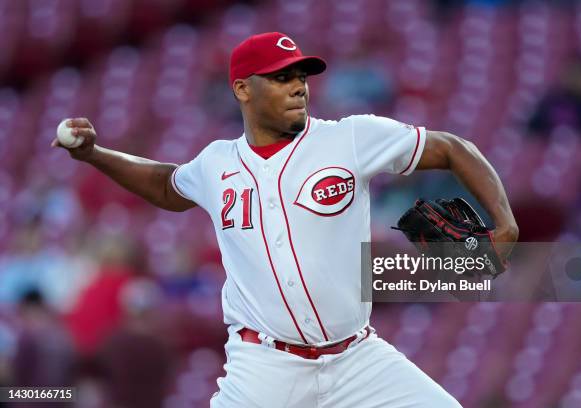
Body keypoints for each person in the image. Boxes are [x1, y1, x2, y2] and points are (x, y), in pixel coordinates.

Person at [52, 32, 518, 408]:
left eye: (301, 75)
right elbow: (166, 185)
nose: (298, 85)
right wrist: (95, 154)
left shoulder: (350, 139)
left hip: (358, 359)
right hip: (265, 369)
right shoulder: (216, 164)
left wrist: (504, 222)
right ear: (241, 89)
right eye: (279, 77)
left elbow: (453, 148)